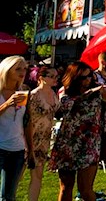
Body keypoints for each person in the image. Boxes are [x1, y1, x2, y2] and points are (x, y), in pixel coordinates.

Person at [48, 62, 106, 201]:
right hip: (68, 143)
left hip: (90, 144)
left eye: (90, 76)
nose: (88, 80)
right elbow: (65, 107)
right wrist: (91, 92)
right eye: (83, 78)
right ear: (74, 78)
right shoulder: (65, 92)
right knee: (66, 187)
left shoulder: (98, 94)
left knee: (85, 190)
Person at [26, 66, 60, 201]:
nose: (55, 79)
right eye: (51, 76)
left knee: (38, 176)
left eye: (56, 76)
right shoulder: (34, 95)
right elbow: (27, 120)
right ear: (41, 78)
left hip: (44, 139)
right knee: (18, 175)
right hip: (30, 138)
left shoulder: (53, 93)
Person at [0, 56, 29, 201]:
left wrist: (28, 146)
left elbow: (25, 122)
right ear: (7, 70)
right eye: (18, 68)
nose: (22, 72)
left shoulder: (22, 91)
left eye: (24, 68)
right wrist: (6, 104)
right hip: (0, 146)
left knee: (9, 196)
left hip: (17, 149)